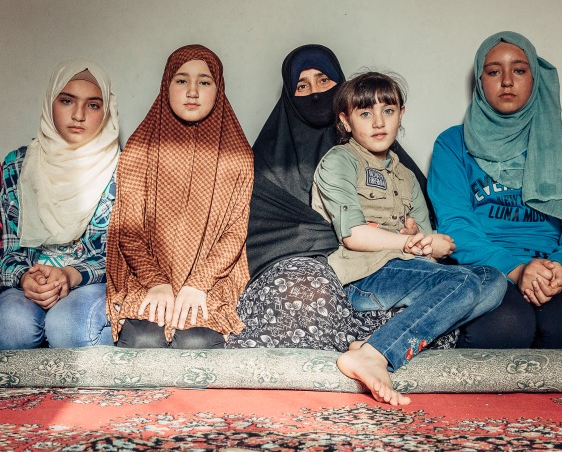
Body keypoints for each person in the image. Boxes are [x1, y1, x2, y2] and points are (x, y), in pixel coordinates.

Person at [227, 44, 453, 354]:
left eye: (324, 81)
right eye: (302, 86)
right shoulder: (268, 156)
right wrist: (350, 235)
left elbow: (417, 229)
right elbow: (259, 233)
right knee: (309, 289)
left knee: (436, 301)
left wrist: (409, 237)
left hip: (372, 267)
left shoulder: (390, 162)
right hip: (295, 269)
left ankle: (365, 348)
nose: (315, 93)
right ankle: (363, 347)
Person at [312, 71, 506, 405]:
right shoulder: (340, 161)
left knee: (494, 279)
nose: (378, 122)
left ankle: (376, 342)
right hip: (366, 275)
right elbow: (354, 236)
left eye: (387, 110)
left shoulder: (405, 175)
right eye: (364, 113)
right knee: (464, 282)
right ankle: (375, 356)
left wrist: (426, 241)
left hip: (409, 271)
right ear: (345, 120)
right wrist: (405, 242)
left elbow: (429, 246)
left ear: (401, 114)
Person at [429, 31, 562, 349]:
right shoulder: (452, 144)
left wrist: (559, 266)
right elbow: (455, 226)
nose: (507, 81)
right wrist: (516, 270)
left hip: (556, 269)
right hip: (486, 269)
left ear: (535, 78)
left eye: (519, 70)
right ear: (481, 81)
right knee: (503, 328)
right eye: (494, 71)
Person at [106, 45, 253, 349]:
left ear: (219, 89)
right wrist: (156, 282)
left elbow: (234, 232)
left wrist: (198, 284)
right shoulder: (139, 151)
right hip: (145, 275)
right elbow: (129, 232)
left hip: (211, 279)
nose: (193, 92)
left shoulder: (238, 156)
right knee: (145, 338)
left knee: (195, 342)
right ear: (166, 85)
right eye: (182, 80)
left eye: (205, 82)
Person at [0, 60, 119, 349]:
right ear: (50, 103)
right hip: (30, 281)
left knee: (68, 326)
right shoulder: (18, 164)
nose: (78, 115)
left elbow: (119, 255)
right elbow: (7, 249)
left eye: (93, 105)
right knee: (12, 325)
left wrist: (70, 275)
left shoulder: (122, 169)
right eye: (67, 101)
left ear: (107, 112)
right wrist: (24, 276)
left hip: (88, 281)